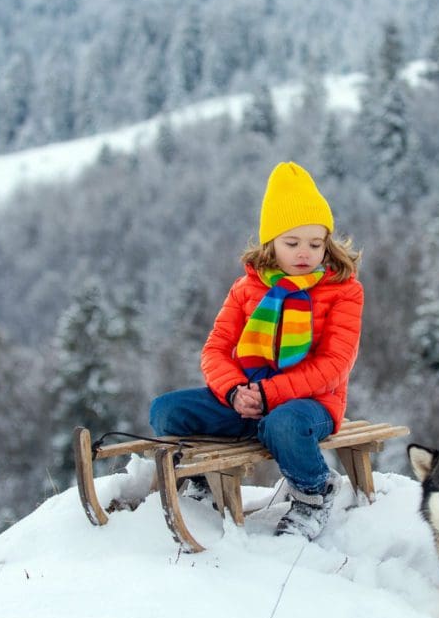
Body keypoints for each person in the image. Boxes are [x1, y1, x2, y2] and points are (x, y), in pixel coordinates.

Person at [149, 161, 363, 539]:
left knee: (283, 423)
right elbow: (215, 350)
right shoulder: (246, 289)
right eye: (292, 243)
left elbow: (335, 365)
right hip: (247, 399)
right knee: (167, 411)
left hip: (312, 403)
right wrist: (234, 392)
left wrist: (271, 394)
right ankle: (201, 481)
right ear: (270, 243)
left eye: (315, 244)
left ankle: (314, 491)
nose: (304, 254)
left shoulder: (344, 290)